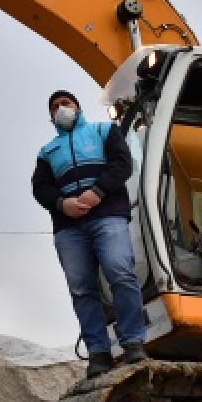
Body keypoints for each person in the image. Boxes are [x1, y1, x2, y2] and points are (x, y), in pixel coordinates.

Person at [32, 90, 149, 378]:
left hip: (107, 215)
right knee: (82, 288)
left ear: (77, 107)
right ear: (50, 116)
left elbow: (122, 163)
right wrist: (62, 204)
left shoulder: (103, 131)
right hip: (69, 228)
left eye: (66, 103)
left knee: (120, 271)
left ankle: (133, 342)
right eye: (55, 106)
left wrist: (98, 192)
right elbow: (40, 187)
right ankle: (98, 353)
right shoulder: (47, 152)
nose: (61, 108)